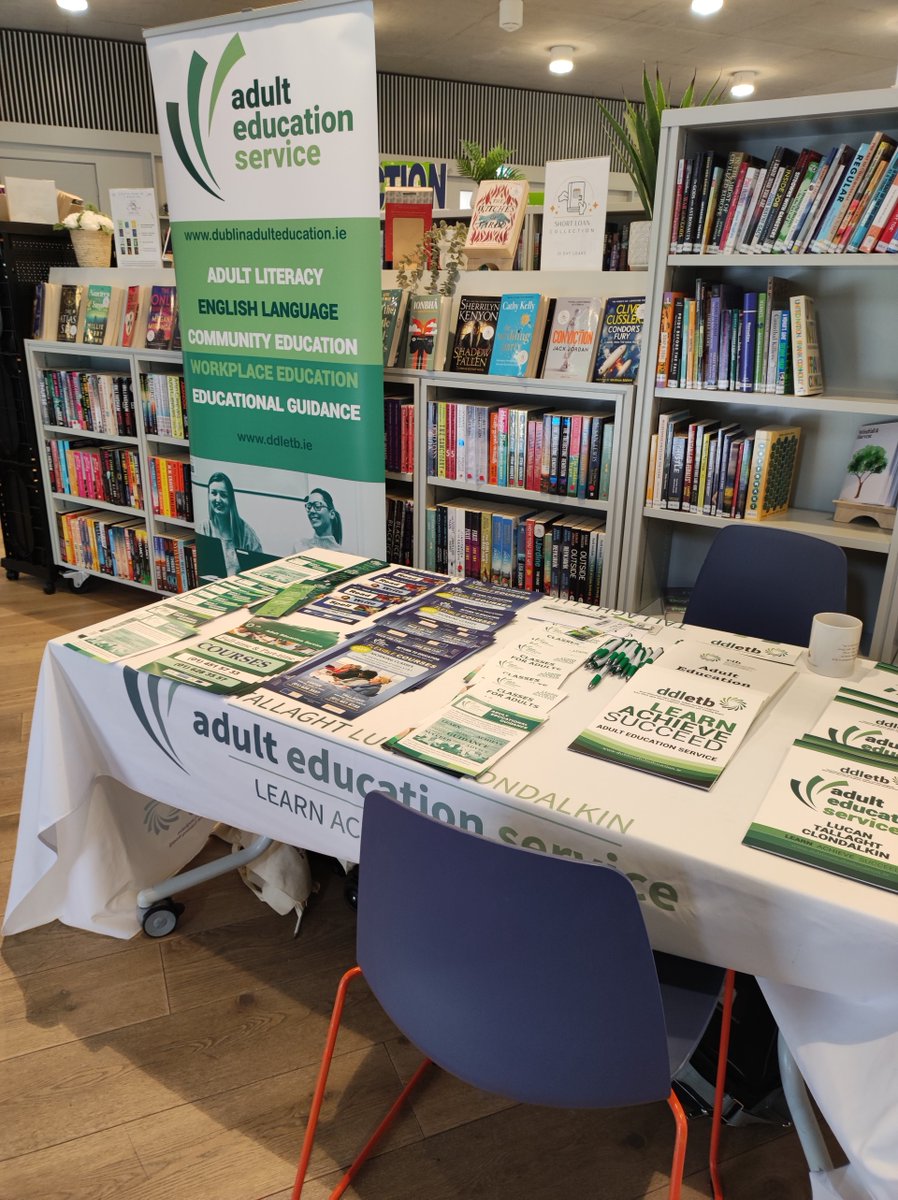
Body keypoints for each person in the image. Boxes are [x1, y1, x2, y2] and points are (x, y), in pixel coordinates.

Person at [198, 471, 261, 576]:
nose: (218, 499)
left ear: (231, 499)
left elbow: (260, 570)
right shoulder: (203, 528)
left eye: (223, 495)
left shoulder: (247, 534)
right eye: (214, 493)